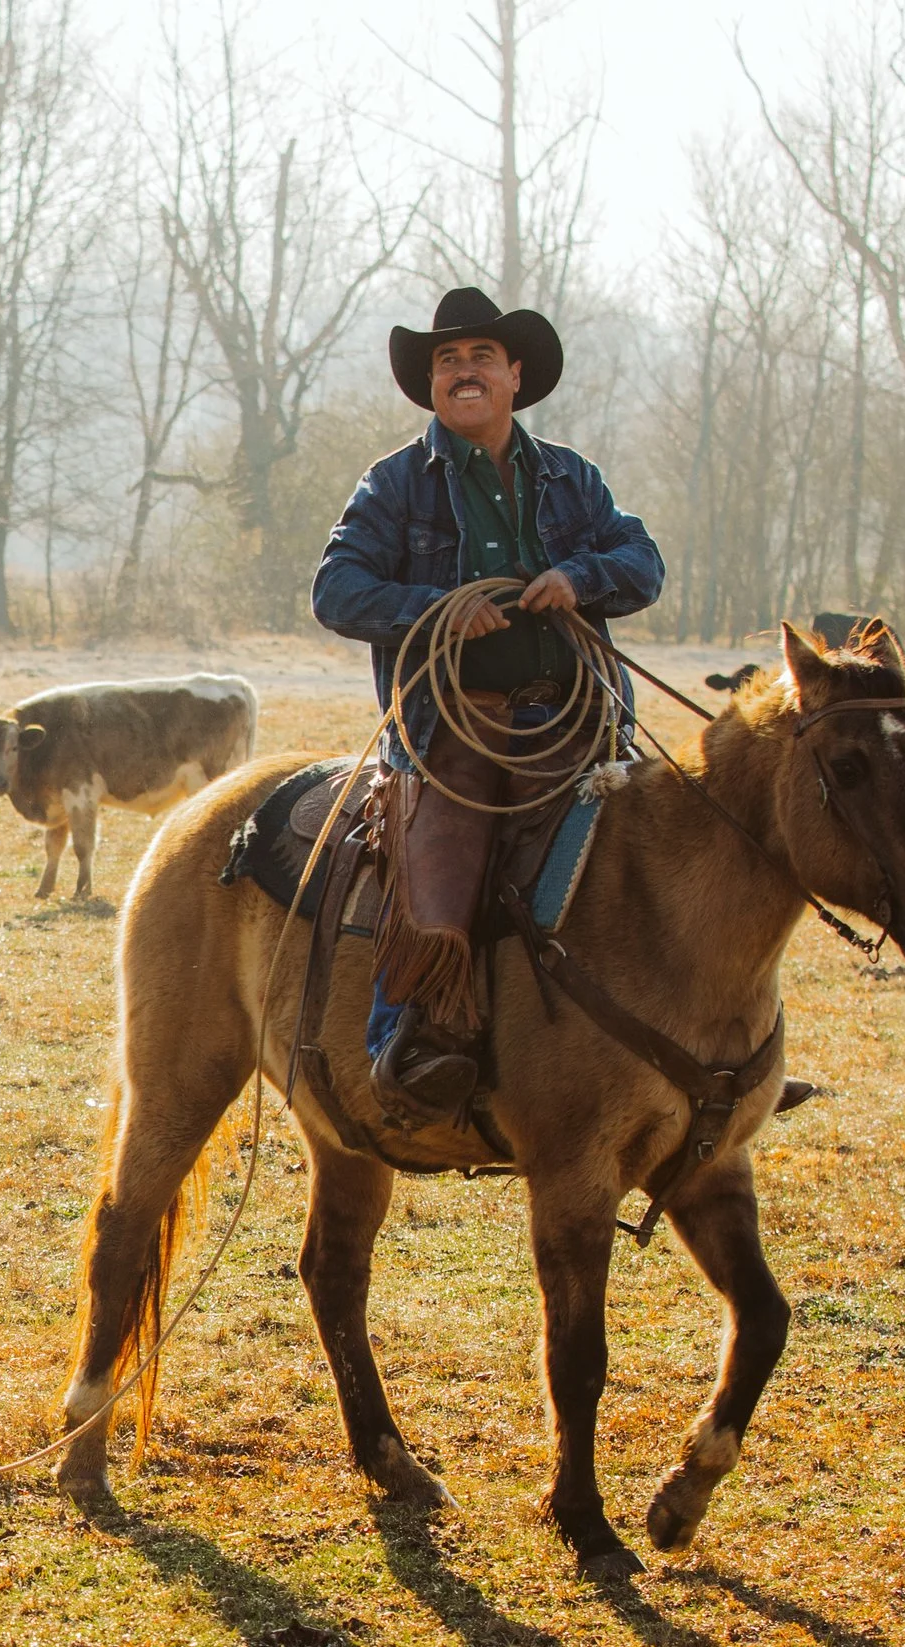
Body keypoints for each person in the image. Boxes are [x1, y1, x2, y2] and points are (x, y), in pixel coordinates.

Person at [311, 286, 665, 1129]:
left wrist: (581, 578)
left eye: (478, 358)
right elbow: (337, 589)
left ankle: (694, 1042)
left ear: (514, 375)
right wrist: (438, 605)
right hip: (451, 724)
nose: (462, 372)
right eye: (446, 361)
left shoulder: (571, 478)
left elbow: (641, 559)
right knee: (440, 879)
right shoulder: (396, 484)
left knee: (668, 857)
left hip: (576, 719)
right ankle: (409, 1049)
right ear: (432, 384)